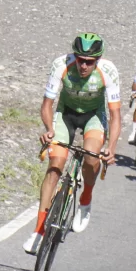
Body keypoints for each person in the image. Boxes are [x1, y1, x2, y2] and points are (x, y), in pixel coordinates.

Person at [24, 33, 120, 255]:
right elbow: (47, 104)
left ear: (98, 59)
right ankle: (38, 230)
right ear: (74, 57)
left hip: (93, 116)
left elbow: (115, 114)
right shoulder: (61, 64)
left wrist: (111, 148)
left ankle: (85, 198)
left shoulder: (109, 71)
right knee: (55, 165)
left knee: (91, 156)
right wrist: (49, 129)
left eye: (89, 61)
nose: (84, 65)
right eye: (80, 59)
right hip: (65, 114)